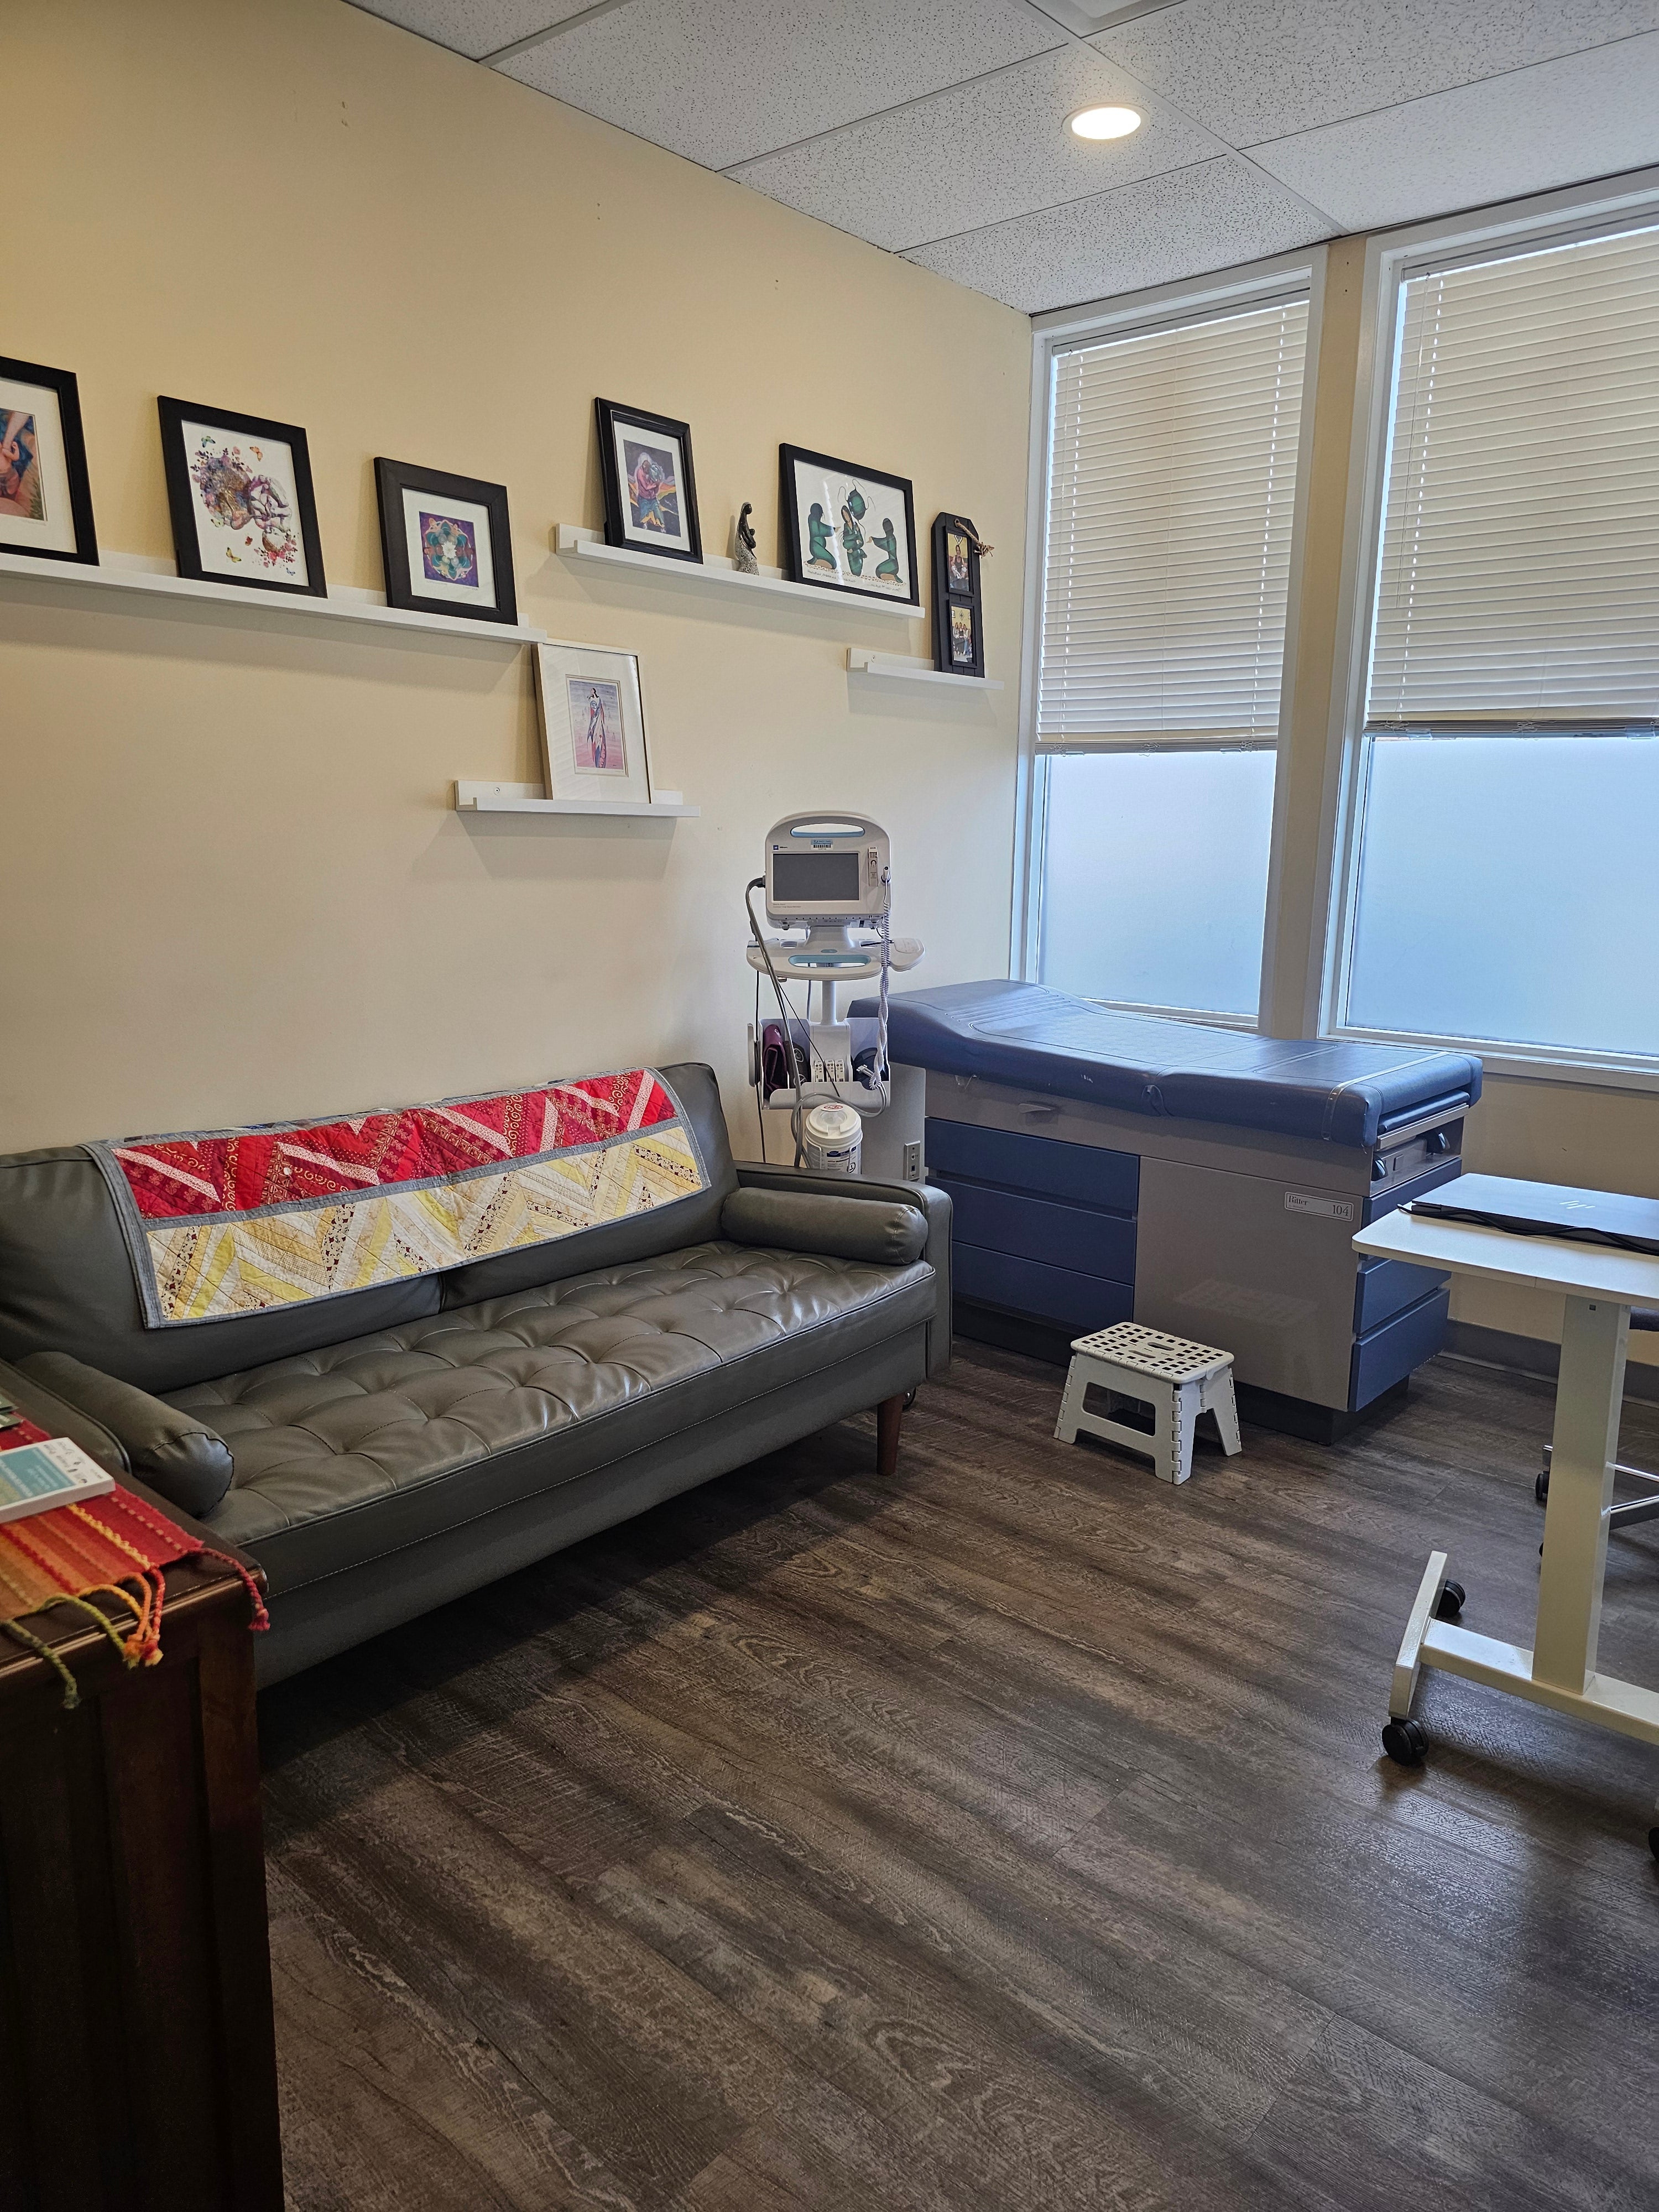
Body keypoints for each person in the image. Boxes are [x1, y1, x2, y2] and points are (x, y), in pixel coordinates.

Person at [872, 517, 900, 583]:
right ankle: (893, 577)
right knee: (879, 572)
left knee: (878, 571)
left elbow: (882, 543)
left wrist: (873, 539)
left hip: (893, 564)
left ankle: (894, 578)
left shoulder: (890, 538)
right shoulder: (892, 537)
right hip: (893, 563)